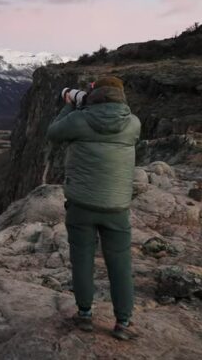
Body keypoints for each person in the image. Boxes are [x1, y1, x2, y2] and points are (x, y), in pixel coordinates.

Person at [47, 75, 141, 340]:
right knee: (120, 264)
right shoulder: (133, 124)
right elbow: (119, 117)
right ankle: (123, 323)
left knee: (82, 260)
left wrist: (71, 104)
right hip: (117, 207)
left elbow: (53, 133)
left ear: (92, 94)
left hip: (81, 205)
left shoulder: (79, 119)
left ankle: (85, 315)